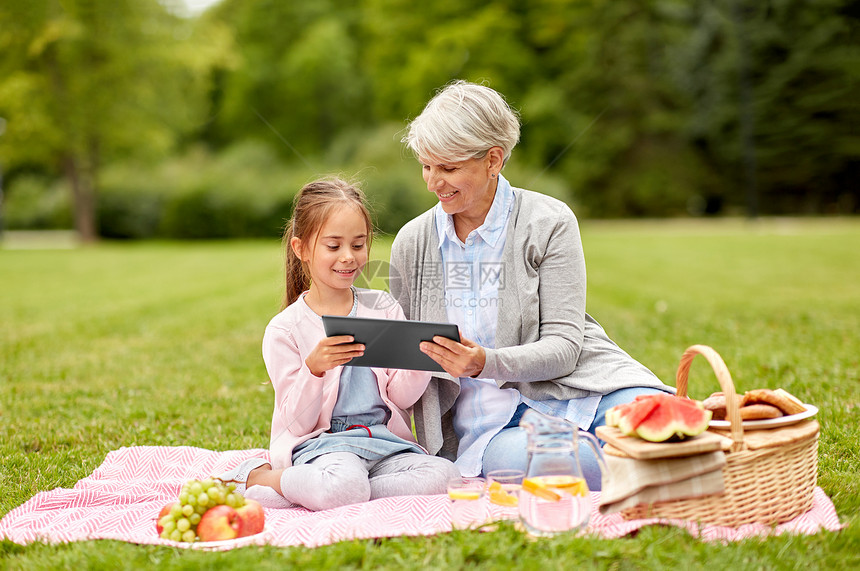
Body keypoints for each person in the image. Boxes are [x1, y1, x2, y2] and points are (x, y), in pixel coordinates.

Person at [389, 81, 673, 490]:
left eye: (448, 168)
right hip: (490, 424)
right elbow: (403, 356)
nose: (434, 183)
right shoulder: (412, 243)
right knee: (583, 463)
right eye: (426, 165)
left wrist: (485, 362)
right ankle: (686, 472)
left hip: (583, 389)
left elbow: (564, 347)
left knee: (670, 430)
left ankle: (695, 463)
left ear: (493, 160)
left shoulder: (549, 222)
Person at [218, 177, 459, 511]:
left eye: (358, 245)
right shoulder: (285, 329)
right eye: (334, 246)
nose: (348, 257)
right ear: (301, 248)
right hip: (324, 447)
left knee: (444, 475)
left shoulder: (383, 308)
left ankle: (333, 491)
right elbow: (296, 424)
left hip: (382, 442)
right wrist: (313, 371)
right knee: (343, 482)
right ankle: (263, 479)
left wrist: (419, 360)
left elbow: (401, 398)